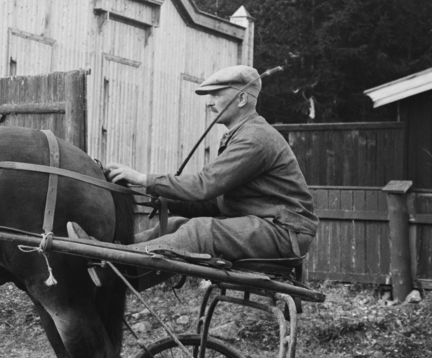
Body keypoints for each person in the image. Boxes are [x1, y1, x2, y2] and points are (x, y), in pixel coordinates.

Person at [71, 65, 318, 263]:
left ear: (242, 98)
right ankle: (114, 253)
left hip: (284, 232)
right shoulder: (241, 134)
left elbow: (205, 185)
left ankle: (112, 263)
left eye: (217, 94)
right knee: (177, 224)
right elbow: (219, 201)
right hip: (264, 224)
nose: (209, 102)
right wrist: (169, 200)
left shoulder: (255, 138)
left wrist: (144, 179)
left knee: (201, 231)